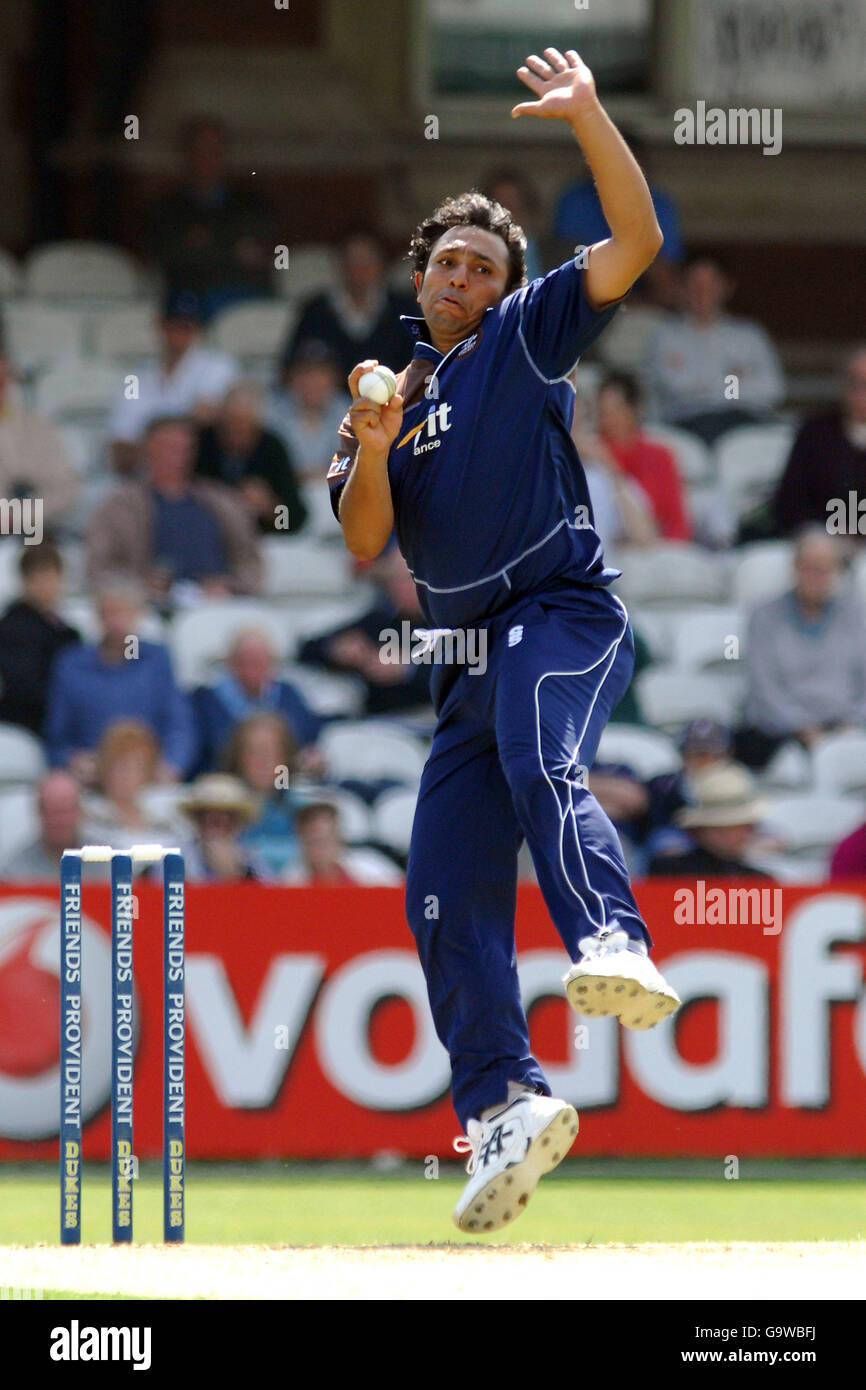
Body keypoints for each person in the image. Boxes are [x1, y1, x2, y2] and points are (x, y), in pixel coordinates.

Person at [328, 45, 679, 1233]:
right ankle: (503, 1108)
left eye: (482, 265)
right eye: (445, 262)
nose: (462, 277)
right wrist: (372, 444)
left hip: (562, 613)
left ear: (502, 286)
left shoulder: (524, 336)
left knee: (542, 745)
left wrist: (585, 118)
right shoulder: (383, 402)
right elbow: (360, 540)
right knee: (435, 890)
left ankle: (612, 938)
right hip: (466, 660)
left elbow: (634, 244)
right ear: (418, 277)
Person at [86, 415, 262, 604]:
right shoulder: (119, 506)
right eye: (167, 447)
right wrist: (139, 586)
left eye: (183, 449)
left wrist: (230, 585)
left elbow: (251, 561)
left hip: (217, 604)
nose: (177, 456)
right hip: (146, 608)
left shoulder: (222, 502)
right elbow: (98, 567)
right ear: (147, 450)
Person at [43, 575, 196, 782]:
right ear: (97, 616)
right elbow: (56, 737)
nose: (115, 621)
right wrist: (71, 760)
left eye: (123, 612)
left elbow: (179, 725)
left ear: (137, 615)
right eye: (109, 613)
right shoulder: (73, 664)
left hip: (148, 772)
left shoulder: (153, 660)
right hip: (93, 774)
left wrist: (172, 764)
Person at [735, 528, 866, 769]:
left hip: (846, 727)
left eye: (824, 569)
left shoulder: (856, 616)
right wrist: (804, 729)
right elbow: (764, 689)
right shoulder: (764, 617)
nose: (816, 577)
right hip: (780, 732)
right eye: (809, 567)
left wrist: (853, 724)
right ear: (794, 567)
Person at [145, 117, 277, 319]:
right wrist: (234, 247)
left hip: (248, 298)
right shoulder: (167, 209)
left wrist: (207, 242)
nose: (207, 159)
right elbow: (173, 257)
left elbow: (263, 254)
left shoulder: (252, 205)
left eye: (215, 151)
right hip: (192, 302)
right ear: (187, 155)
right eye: (200, 151)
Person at [646, 258, 785, 443]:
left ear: (726, 288)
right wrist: (732, 378)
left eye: (711, 284)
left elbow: (773, 390)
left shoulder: (748, 335)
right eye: (695, 284)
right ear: (683, 289)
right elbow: (674, 387)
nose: (702, 292)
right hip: (684, 425)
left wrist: (718, 389)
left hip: (741, 423)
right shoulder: (666, 336)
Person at [107, 292, 239, 472]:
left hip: (197, 473)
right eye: (172, 326)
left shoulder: (217, 366)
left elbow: (204, 419)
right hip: (144, 476)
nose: (178, 334)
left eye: (186, 327)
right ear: (160, 327)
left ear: (197, 330)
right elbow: (122, 442)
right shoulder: (135, 378)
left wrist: (153, 439)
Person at [297, 543, 434, 716]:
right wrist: (336, 649)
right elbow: (306, 649)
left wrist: (408, 669)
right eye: (394, 579)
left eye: (409, 579)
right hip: (379, 724)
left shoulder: (453, 624)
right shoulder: (379, 622)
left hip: (435, 721)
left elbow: (469, 677)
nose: (402, 587)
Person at [280, 228, 416, 380]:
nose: (360, 270)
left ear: (382, 265)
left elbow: (421, 365)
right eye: (353, 261)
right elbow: (292, 368)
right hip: (331, 402)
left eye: (367, 261)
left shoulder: (405, 309)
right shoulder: (315, 310)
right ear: (340, 266)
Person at [193, 627, 323, 776]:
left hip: (281, 778)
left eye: (260, 662)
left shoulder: (288, 694)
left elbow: (307, 736)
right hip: (227, 779)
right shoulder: (206, 699)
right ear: (231, 664)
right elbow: (210, 748)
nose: (252, 669)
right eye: (245, 661)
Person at [773, 346, 866, 536]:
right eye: (856, 383)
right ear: (843, 387)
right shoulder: (815, 433)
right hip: (824, 542)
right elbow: (790, 503)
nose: (862, 393)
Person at [195, 381, 308, 534]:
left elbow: (291, 522)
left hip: (260, 539)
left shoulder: (272, 448)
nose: (238, 432)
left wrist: (270, 508)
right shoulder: (201, 444)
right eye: (232, 424)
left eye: (245, 426)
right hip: (208, 534)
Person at [596, 372, 692, 540]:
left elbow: (677, 520)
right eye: (604, 411)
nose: (609, 418)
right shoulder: (594, 454)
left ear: (635, 409)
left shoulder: (660, 455)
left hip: (658, 548)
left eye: (617, 409)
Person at [0, 542, 80, 735]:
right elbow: (23, 687)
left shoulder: (67, 632)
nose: (46, 586)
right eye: (38, 578)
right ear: (25, 581)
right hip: (28, 722)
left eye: (50, 577)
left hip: (63, 718)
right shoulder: (12, 627)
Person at [647, 762, 772, 878]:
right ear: (702, 830)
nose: (742, 833)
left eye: (745, 826)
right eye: (724, 828)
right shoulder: (669, 871)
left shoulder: (759, 879)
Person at [0, 351, 78, 529]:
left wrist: (17, 516)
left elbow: (66, 490)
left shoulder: (36, 427)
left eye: (3, 379)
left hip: (27, 537)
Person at [82, 719, 184, 850]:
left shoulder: (162, 814)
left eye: (137, 766)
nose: (127, 775)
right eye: (121, 766)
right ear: (105, 768)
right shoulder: (90, 814)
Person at [221, 711, 301, 877]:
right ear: (238, 758)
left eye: (271, 751)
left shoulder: (302, 809)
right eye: (254, 751)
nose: (263, 760)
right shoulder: (220, 809)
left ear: (286, 758)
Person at [267, 340, 351, 483]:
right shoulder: (272, 412)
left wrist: (324, 473)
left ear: (334, 379)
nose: (313, 381)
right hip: (287, 492)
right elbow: (270, 464)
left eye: (321, 374)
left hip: (334, 490)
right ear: (292, 377)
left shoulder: (346, 410)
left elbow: (350, 460)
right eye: (306, 373)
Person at [0, 771, 95, 881]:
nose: (59, 821)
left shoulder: (107, 861)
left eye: (65, 811)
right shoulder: (16, 872)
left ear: (81, 812)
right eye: (52, 812)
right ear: (38, 813)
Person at [283, 800, 402, 885]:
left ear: (339, 839)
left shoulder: (372, 868)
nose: (319, 850)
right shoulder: (290, 881)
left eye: (324, 841)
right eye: (312, 842)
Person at [178, 773, 270, 881]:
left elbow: (269, 894)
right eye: (209, 813)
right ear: (197, 818)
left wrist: (238, 875)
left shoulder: (252, 862)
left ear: (238, 822)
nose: (218, 821)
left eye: (227, 815)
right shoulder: (176, 858)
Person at [481, 169, 545, 281]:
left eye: (514, 205)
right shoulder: (473, 259)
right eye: (502, 206)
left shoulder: (563, 255)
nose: (509, 214)